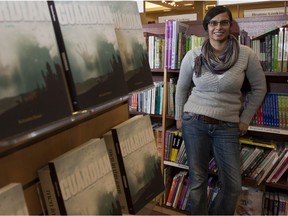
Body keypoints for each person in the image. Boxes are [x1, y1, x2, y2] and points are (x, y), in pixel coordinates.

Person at [174, 5, 267, 215]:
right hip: (194, 122)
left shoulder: (246, 55)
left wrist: (245, 118)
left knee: (233, 186)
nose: (218, 27)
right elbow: (181, 87)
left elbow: (260, 87)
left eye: (224, 22)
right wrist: (179, 116)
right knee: (197, 180)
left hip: (227, 126)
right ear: (207, 27)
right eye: (213, 23)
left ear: (230, 26)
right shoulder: (193, 55)